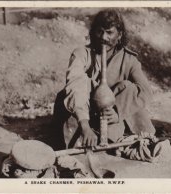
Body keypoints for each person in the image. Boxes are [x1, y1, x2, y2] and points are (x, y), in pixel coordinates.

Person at [51, 8, 156, 150]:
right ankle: (85, 134)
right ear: (93, 32)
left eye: (109, 32)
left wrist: (117, 112)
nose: (103, 37)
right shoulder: (81, 54)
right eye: (99, 31)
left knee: (129, 87)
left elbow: (146, 91)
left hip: (109, 116)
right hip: (83, 114)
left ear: (119, 35)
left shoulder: (129, 59)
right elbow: (75, 84)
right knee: (81, 82)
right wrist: (85, 126)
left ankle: (110, 134)